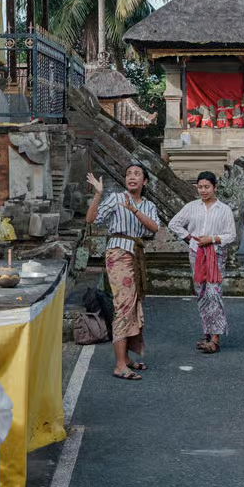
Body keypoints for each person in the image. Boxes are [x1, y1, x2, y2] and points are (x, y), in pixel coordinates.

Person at [85, 162, 160, 381]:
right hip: (118, 253)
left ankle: (125, 358)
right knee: (123, 306)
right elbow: (91, 219)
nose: (132, 177)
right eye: (128, 174)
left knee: (132, 305)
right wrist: (98, 194)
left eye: (137, 174)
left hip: (135, 254)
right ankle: (119, 365)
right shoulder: (116, 198)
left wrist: (134, 210)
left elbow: (154, 228)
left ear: (145, 181)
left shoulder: (148, 205)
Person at [168, 171, 237, 353]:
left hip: (216, 254)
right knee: (201, 292)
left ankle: (215, 338)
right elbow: (174, 224)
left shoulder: (224, 209)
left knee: (214, 293)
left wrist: (212, 239)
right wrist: (189, 238)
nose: (203, 190)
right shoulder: (191, 207)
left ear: (215, 187)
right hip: (196, 253)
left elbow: (231, 235)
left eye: (207, 187)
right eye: (200, 187)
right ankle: (207, 332)